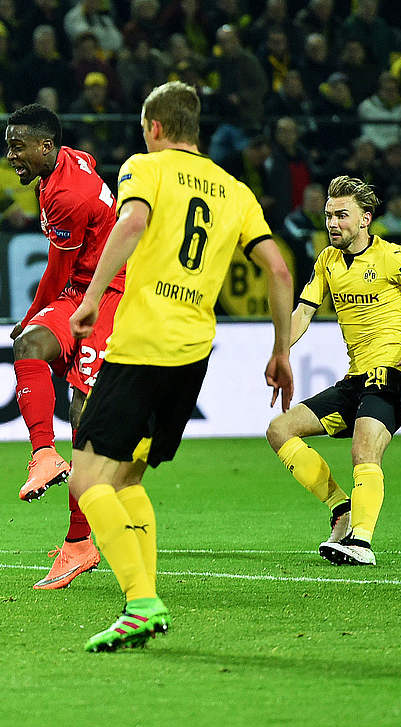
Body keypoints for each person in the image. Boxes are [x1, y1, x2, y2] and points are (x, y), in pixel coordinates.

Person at [67, 81, 296, 652]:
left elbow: (133, 223)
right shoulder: (236, 191)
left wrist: (93, 298)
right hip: (194, 354)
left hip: (141, 343)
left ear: (157, 128)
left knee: (87, 479)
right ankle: (137, 605)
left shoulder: (146, 166)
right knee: (128, 476)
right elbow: (280, 270)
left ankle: (141, 601)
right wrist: (282, 349)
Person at [265, 177, 401, 567]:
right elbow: (303, 311)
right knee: (280, 430)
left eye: (341, 215)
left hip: (392, 374)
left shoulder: (392, 256)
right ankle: (340, 510)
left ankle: (361, 542)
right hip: (355, 380)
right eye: (329, 215)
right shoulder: (327, 261)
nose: (332, 223)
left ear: (365, 218)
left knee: (363, 449)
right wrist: (281, 351)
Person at [2, 104, 119, 591]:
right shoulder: (69, 163)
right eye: (9, 147)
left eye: (18, 147)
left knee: (83, 413)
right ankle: (44, 454)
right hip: (81, 291)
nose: (12, 158)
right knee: (30, 347)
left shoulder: (66, 193)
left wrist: (32, 311)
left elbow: (57, 268)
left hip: (110, 294)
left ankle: (80, 542)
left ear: (45, 146)